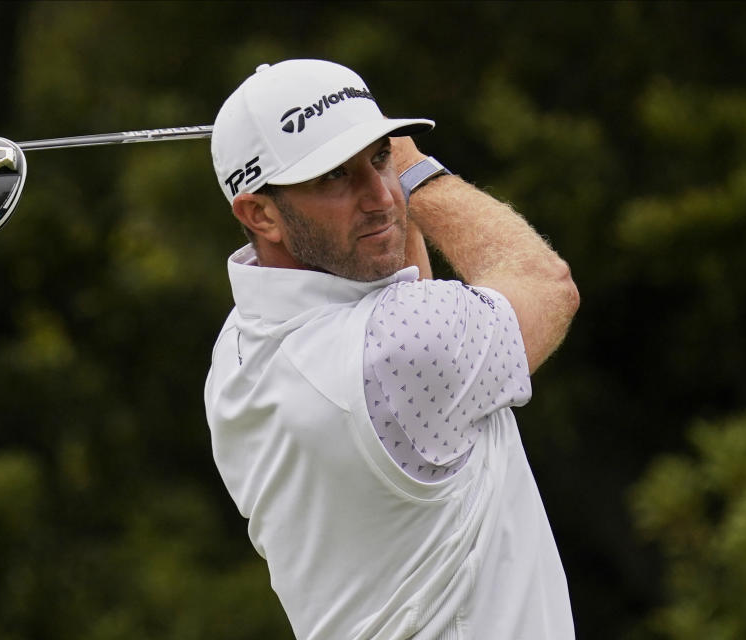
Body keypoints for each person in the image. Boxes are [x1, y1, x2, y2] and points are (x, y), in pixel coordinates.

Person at [204, 59, 580, 640]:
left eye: (378, 159)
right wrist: (416, 169)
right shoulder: (399, 349)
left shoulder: (237, 352)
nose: (380, 196)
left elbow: (405, 293)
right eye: (333, 176)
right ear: (259, 213)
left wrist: (360, 157)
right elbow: (545, 284)